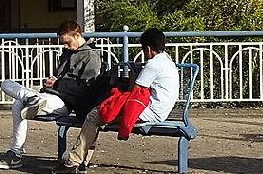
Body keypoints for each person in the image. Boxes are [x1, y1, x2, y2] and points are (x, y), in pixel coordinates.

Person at [0, 21, 110, 170]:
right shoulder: (67, 53)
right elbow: (58, 79)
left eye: (67, 42)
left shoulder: (91, 57)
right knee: (6, 84)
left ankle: (15, 153)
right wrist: (50, 82)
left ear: (78, 35)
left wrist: (57, 83)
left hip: (65, 102)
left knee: (17, 104)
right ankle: (31, 98)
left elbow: (86, 89)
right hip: (48, 95)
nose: (65, 46)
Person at [58, 29, 179, 173]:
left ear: (147, 49)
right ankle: (81, 160)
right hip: (160, 109)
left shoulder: (153, 65)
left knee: (94, 116)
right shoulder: (167, 61)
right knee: (97, 115)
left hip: (148, 112)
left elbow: (135, 89)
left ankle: (73, 162)